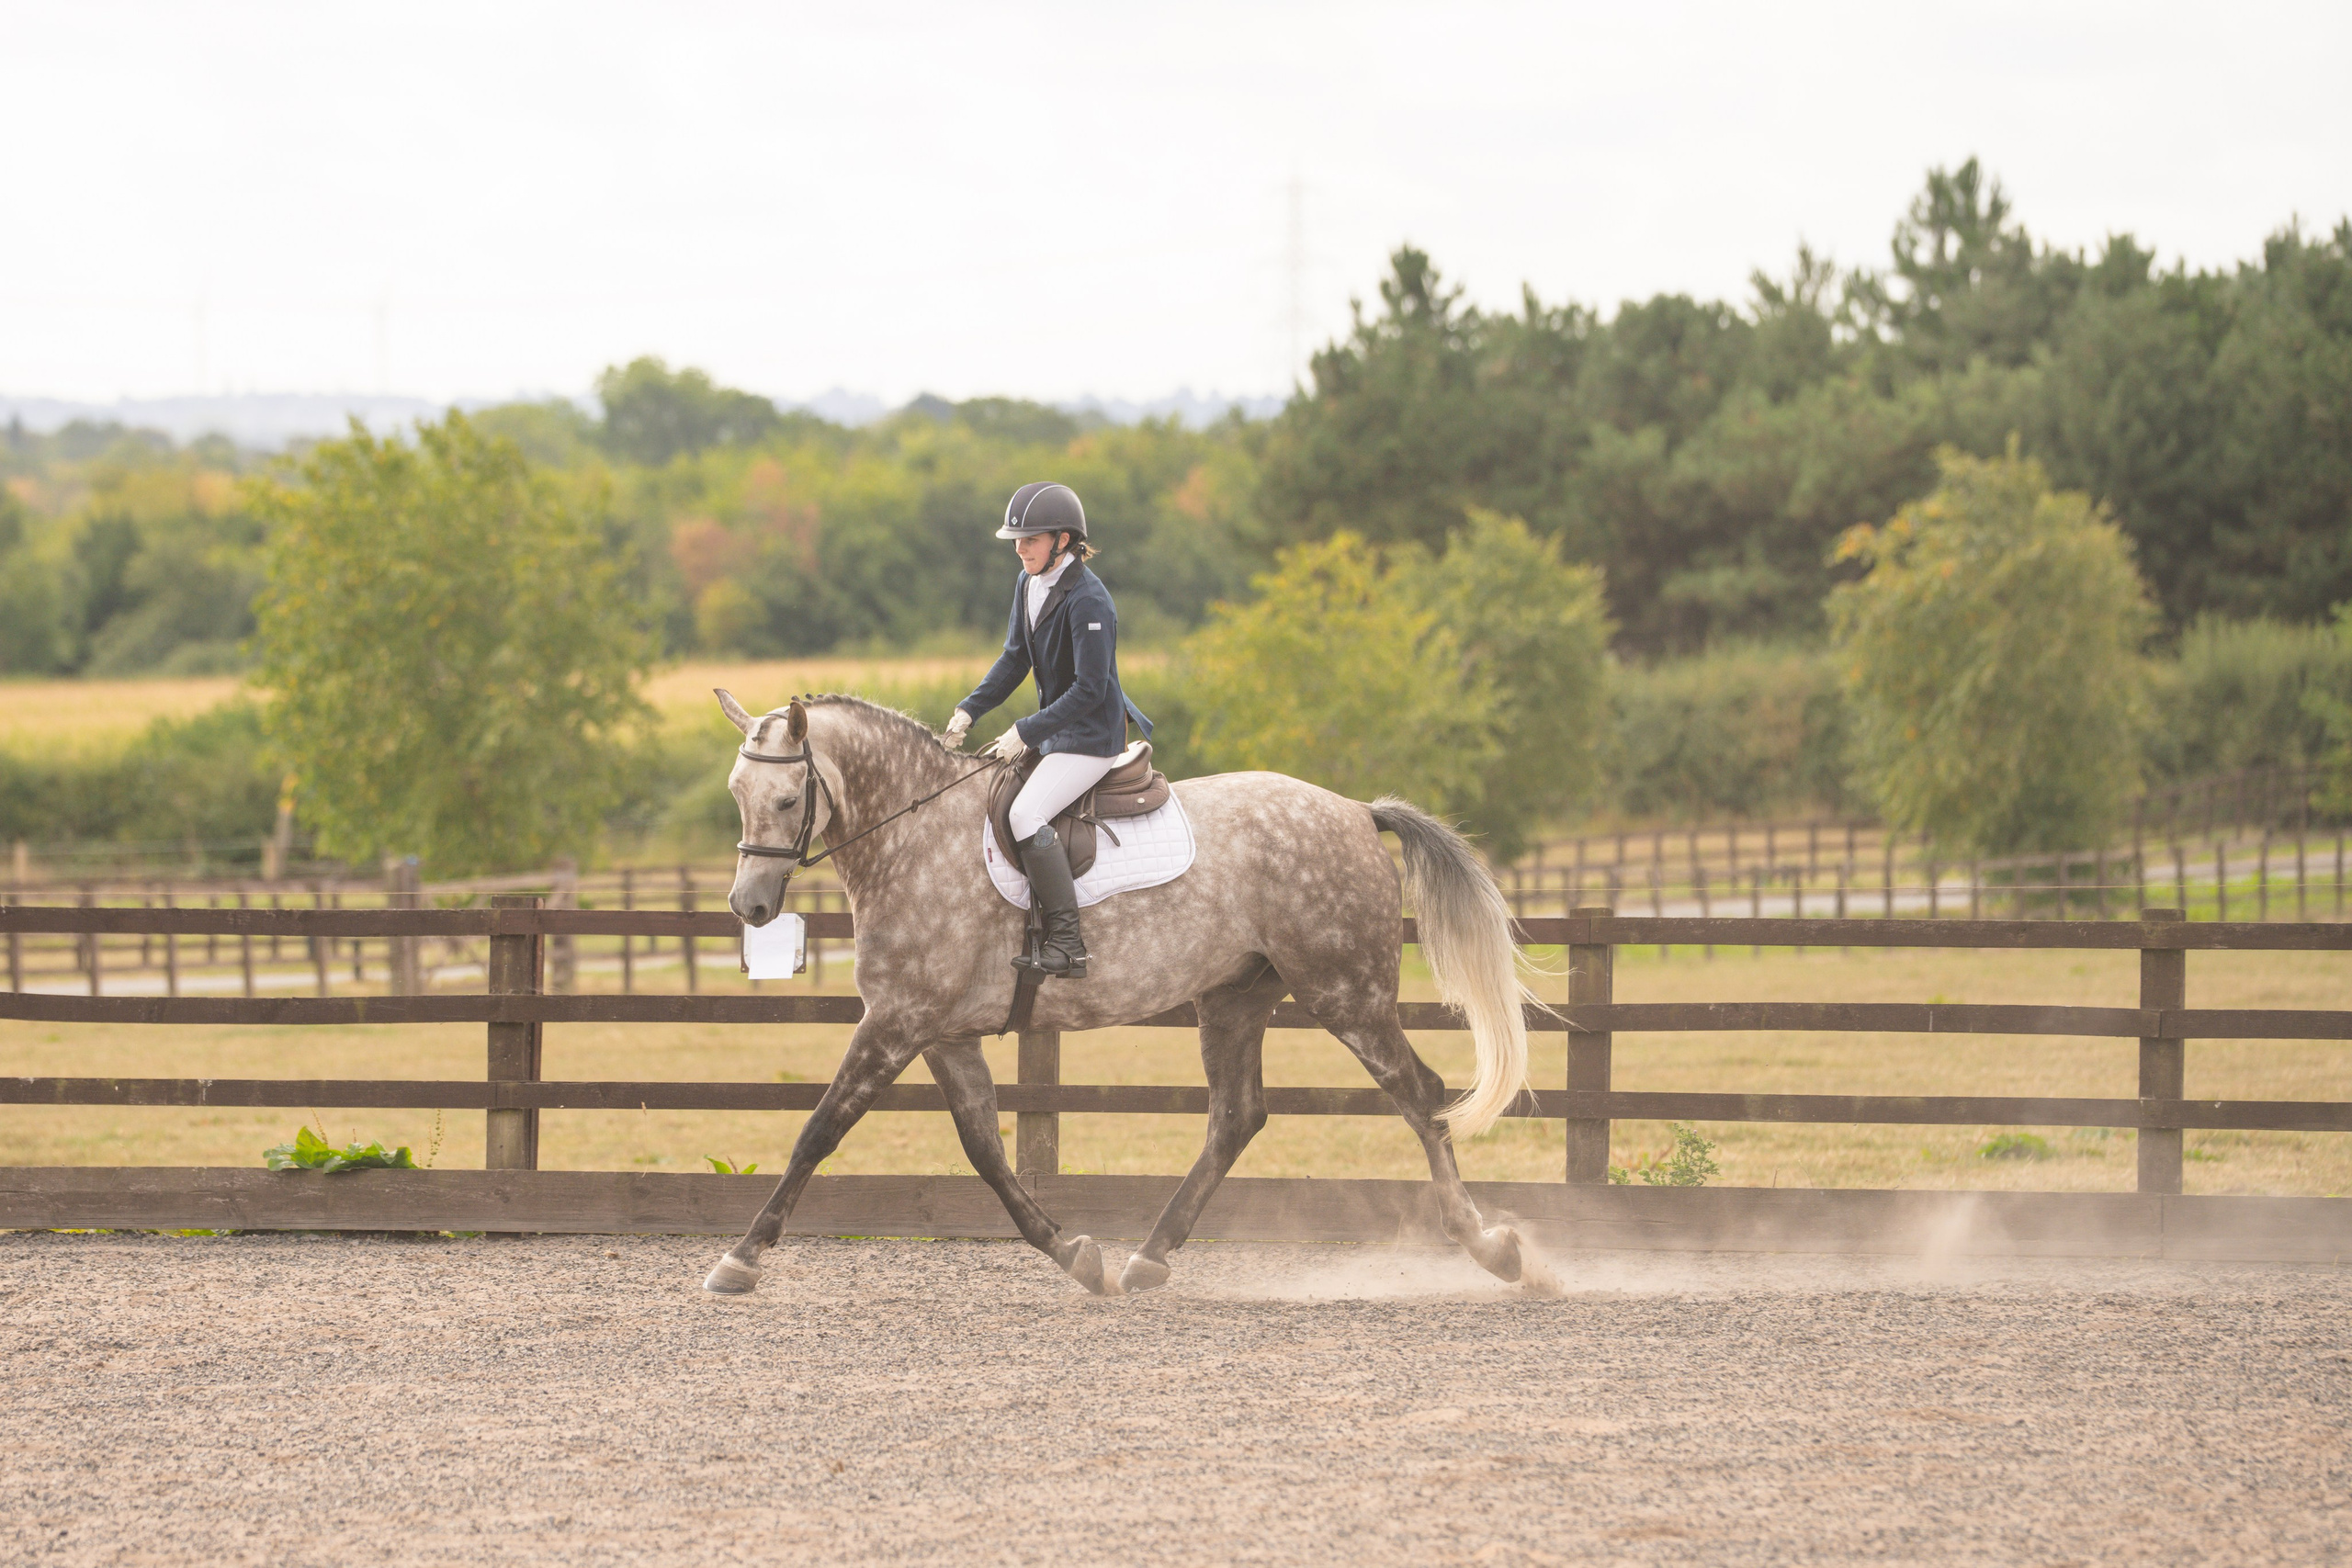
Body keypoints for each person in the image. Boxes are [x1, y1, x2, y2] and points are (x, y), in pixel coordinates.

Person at [944, 481, 1151, 979]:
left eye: (1029, 540)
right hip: (1057, 734)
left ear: (1062, 540)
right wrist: (970, 709)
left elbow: (1089, 689)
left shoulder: (1090, 601)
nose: (1020, 549)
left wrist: (1026, 731)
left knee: (1025, 813)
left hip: (1091, 738)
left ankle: (1068, 943)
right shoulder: (1028, 583)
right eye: (1016, 540)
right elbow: (1015, 658)